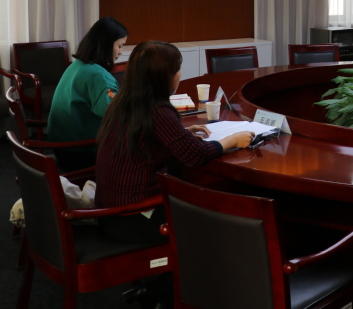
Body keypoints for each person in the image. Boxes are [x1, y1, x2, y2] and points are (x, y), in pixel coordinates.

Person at [95, 40, 253, 243]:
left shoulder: (125, 100)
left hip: (110, 213)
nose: (180, 75)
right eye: (177, 70)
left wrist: (181, 133)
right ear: (162, 77)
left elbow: (145, 138)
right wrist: (232, 140)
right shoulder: (157, 110)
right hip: (135, 216)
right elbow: (196, 155)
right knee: (220, 215)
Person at [47, 16, 129, 171]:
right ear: (106, 44)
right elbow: (117, 116)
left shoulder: (79, 65)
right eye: (119, 46)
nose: (121, 52)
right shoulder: (98, 76)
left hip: (63, 146)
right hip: (81, 152)